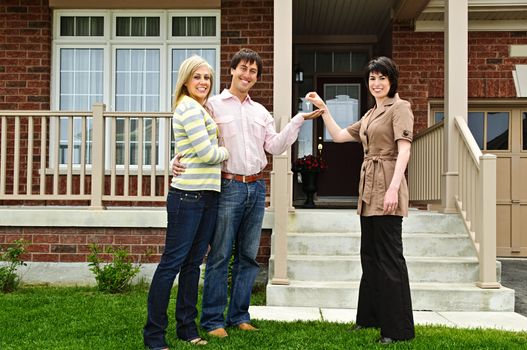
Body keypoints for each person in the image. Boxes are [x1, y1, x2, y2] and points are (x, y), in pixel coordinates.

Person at [172, 48, 322, 338]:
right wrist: (175, 160)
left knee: (248, 256)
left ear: (256, 77)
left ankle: (239, 315)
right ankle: (213, 320)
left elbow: (276, 147)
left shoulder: (260, 112)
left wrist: (298, 121)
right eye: (243, 68)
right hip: (227, 186)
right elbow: (190, 139)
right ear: (231, 70)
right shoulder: (211, 105)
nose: (247, 74)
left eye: (253, 71)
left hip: (256, 186)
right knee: (220, 255)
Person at [305, 56, 415, 345]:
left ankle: (397, 329)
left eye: (382, 78)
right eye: (372, 79)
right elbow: (340, 136)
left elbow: (404, 151)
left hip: (388, 181)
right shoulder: (369, 115)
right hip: (369, 188)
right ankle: (368, 318)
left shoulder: (400, 108)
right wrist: (324, 110)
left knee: (390, 258)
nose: (376, 83)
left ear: (392, 80)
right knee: (370, 256)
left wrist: (393, 189)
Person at [143, 55, 229, 349]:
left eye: (207, 78)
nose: (203, 82)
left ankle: (186, 328)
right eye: (198, 77)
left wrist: (181, 157)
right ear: (186, 80)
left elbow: (188, 150)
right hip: (188, 197)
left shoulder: (200, 108)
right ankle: (154, 335)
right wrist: (225, 152)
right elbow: (206, 154)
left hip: (206, 196)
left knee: (193, 265)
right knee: (172, 264)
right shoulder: (189, 108)